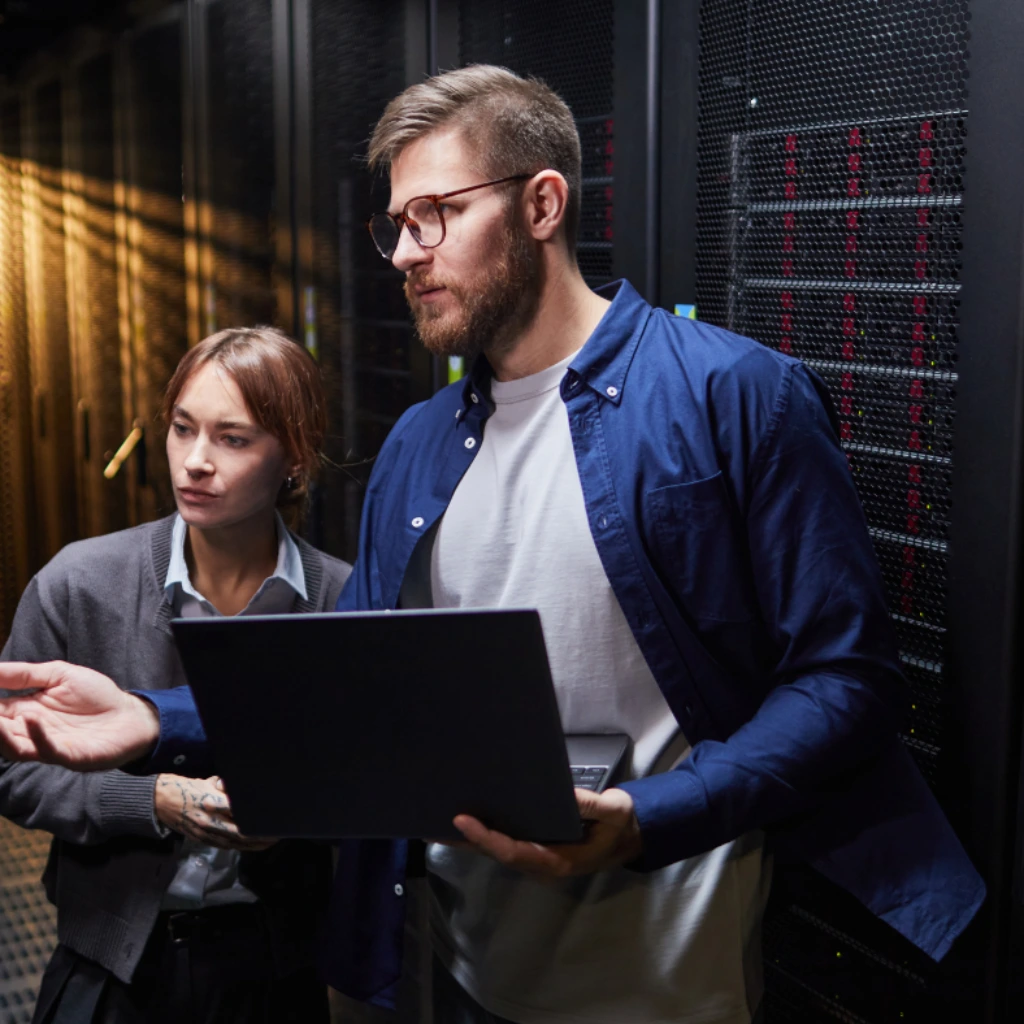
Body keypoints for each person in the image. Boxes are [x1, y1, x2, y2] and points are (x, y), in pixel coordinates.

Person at [0, 67, 984, 1024]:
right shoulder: (421, 442)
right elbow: (351, 678)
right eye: (394, 224)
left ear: (541, 204)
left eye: (434, 214)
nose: (401, 252)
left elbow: (845, 681)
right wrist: (149, 715)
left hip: (656, 969)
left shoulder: (733, 395)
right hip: (440, 950)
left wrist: (655, 815)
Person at [0, 326, 350, 1024]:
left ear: (293, 458)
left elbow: (371, 778)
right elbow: (11, 769)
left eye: (233, 439)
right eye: (182, 429)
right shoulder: (80, 582)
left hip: (274, 964)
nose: (195, 462)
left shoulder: (338, 601)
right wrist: (151, 800)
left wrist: (294, 816)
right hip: (110, 958)